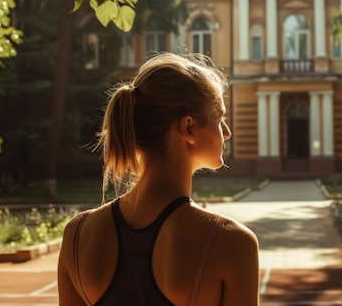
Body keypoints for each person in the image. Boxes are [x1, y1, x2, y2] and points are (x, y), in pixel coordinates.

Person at [57, 53, 260, 306]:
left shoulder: (77, 235)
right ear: (189, 128)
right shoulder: (232, 243)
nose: (227, 133)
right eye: (220, 119)